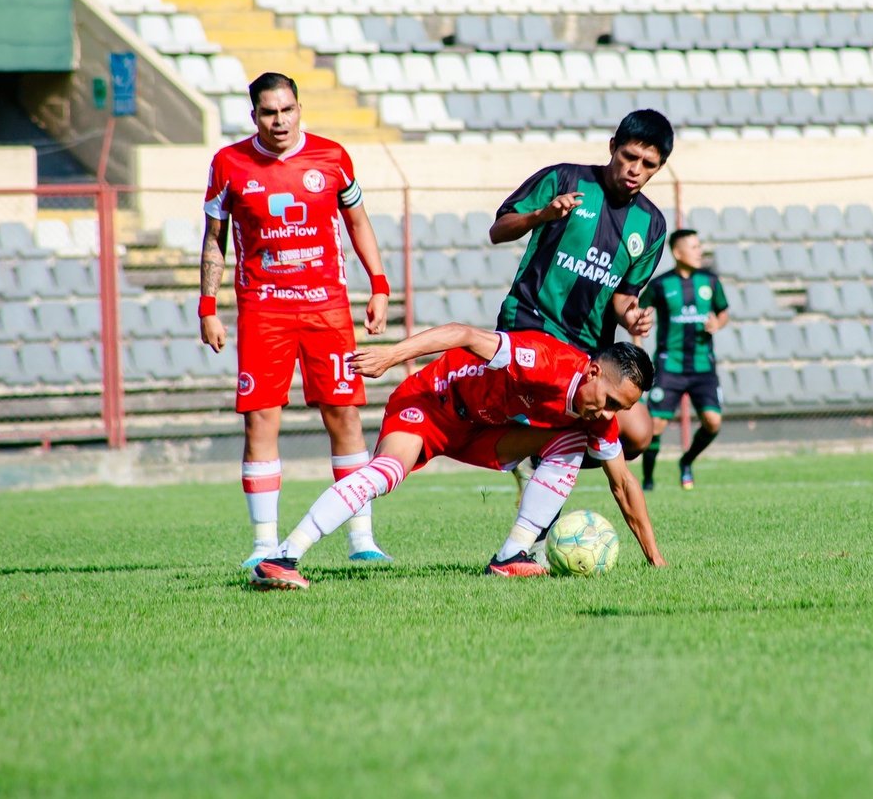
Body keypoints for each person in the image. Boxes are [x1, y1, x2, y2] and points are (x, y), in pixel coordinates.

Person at [248, 322, 665, 587]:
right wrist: (392, 356)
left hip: (480, 431)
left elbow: (624, 483)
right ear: (592, 372)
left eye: (620, 409)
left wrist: (655, 559)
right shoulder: (543, 360)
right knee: (386, 474)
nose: (609, 414)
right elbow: (464, 334)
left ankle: (510, 557)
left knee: (572, 439)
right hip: (432, 403)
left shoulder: (596, 416)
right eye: (609, 400)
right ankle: (282, 557)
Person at [199, 72, 391, 569]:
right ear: (254, 116)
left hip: (327, 307)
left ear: (299, 109)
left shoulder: (333, 157)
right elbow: (214, 238)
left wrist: (379, 284)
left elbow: (357, 221)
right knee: (261, 420)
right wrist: (208, 306)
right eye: (268, 112)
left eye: (287, 110)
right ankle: (265, 545)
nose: (279, 121)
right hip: (264, 309)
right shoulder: (229, 164)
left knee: (344, 415)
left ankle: (361, 539)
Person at [490, 109, 673, 473]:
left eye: (648, 164)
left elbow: (623, 297)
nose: (636, 169)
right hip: (533, 323)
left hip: (590, 347)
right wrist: (540, 216)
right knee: (561, 413)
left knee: (638, 434)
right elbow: (498, 230)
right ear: (612, 148)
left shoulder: (652, 225)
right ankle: (541, 466)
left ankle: (543, 453)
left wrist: (631, 317)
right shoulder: (564, 178)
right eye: (629, 157)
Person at [635, 229, 730, 490]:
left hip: (702, 365)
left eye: (700, 246)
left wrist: (717, 323)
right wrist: (638, 352)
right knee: (655, 425)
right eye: (694, 247)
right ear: (678, 253)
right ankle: (648, 480)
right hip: (670, 364)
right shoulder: (660, 284)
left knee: (713, 421)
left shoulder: (710, 281)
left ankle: (686, 461)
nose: (700, 251)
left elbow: (723, 312)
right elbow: (639, 315)